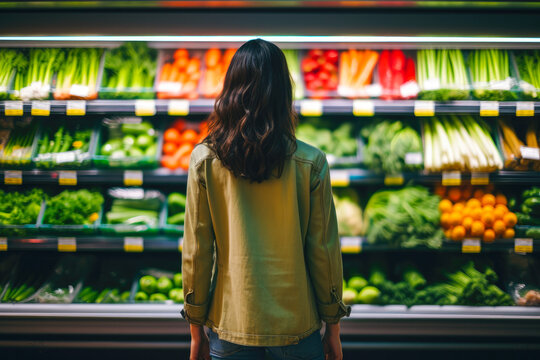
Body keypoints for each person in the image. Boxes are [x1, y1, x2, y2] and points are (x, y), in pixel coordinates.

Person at [181, 38, 350, 360]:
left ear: (229, 91)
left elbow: (197, 251)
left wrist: (195, 327)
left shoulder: (204, 159)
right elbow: (324, 252)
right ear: (284, 93)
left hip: (231, 322)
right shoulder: (310, 162)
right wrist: (334, 326)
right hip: (297, 325)